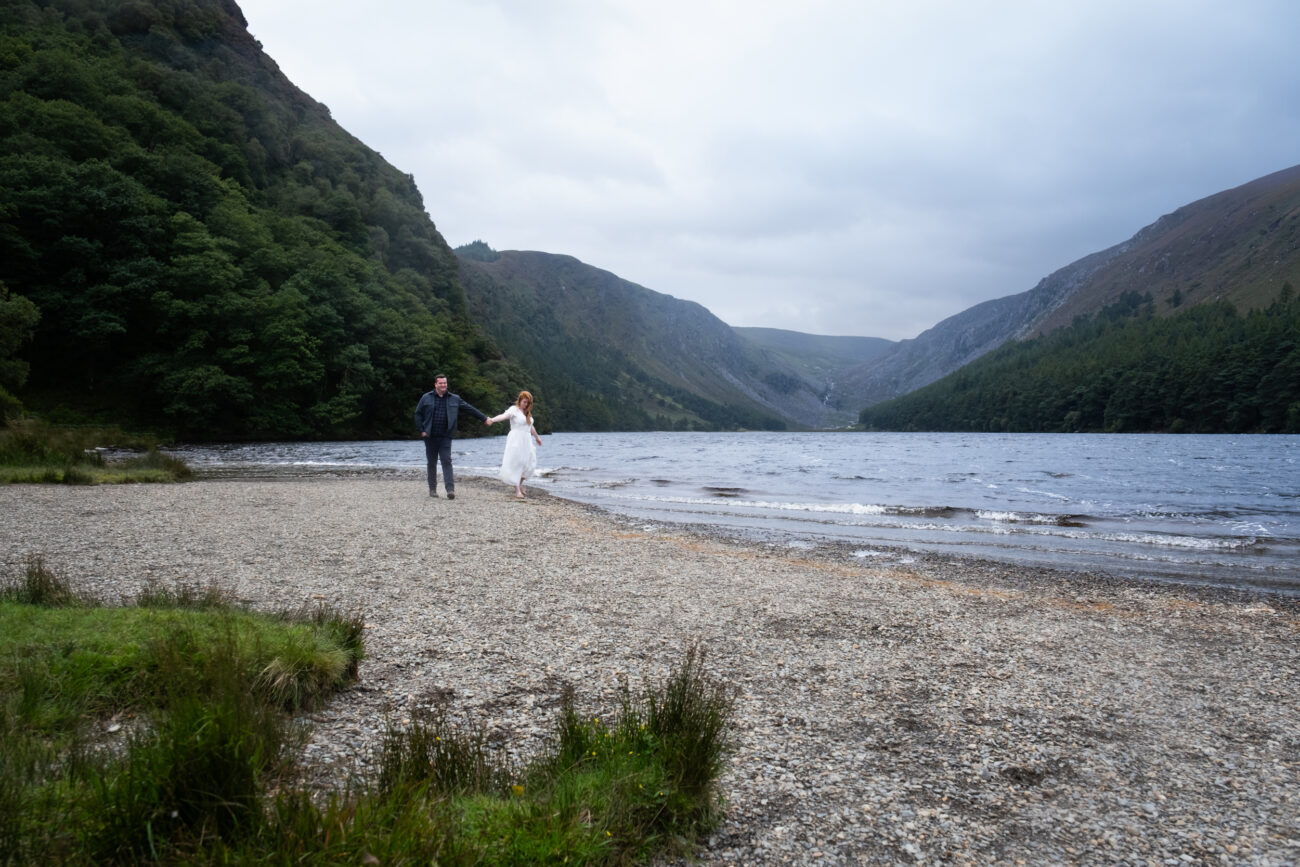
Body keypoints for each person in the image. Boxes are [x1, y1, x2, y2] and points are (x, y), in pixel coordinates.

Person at [414, 374, 491, 499]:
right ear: (435, 384)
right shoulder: (426, 398)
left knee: (446, 461)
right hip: (430, 436)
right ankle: (432, 490)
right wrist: (422, 430)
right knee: (431, 462)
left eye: (445, 383)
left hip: (446, 436)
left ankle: (450, 490)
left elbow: (469, 408)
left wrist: (484, 418)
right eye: (440, 383)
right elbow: (418, 414)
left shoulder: (454, 398)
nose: (443, 385)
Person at [487, 391, 543, 499]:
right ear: (520, 400)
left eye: (528, 403)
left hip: (526, 440)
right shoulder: (514, 410)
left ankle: (520, 484)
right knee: (517, 463)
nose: (526, 404)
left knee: (529, 463)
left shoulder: (527, 413)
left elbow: (530, 426)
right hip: (516, 440)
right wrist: (492, 420)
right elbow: (504, 416)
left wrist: (537, 437)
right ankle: (517, 490)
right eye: (524, 402)